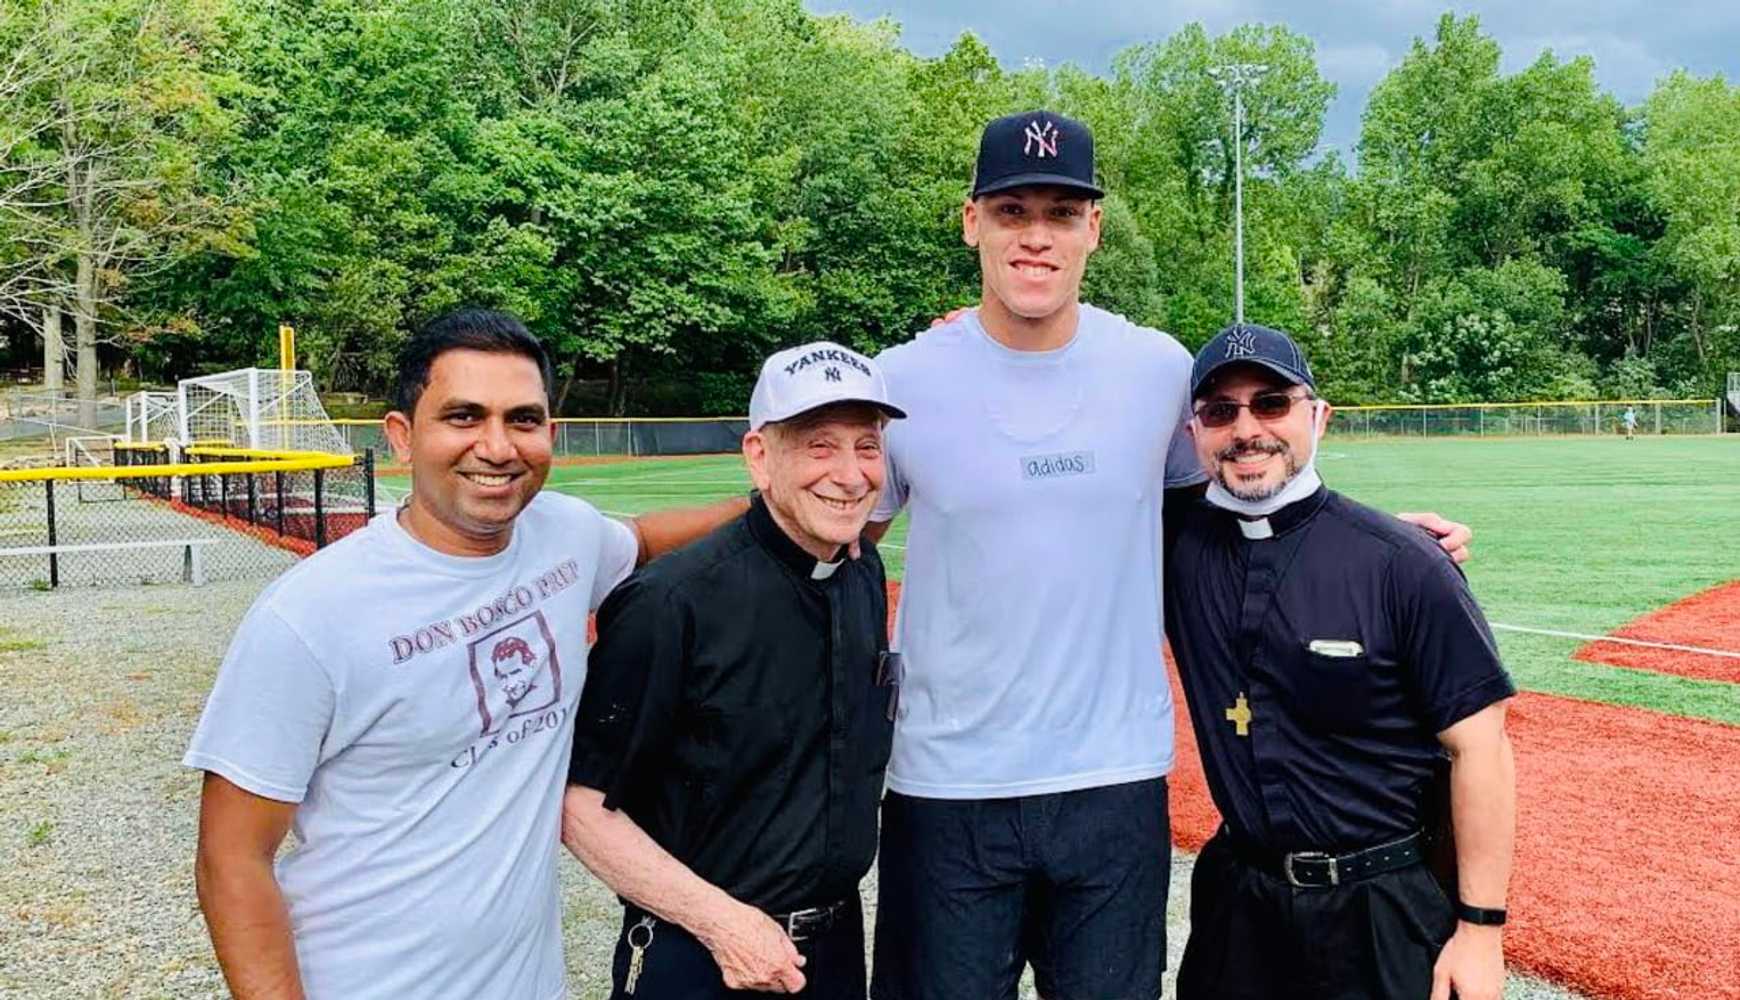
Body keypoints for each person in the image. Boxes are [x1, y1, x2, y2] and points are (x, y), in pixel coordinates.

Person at [865, 110, 1472, 1000]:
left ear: (1094, 230)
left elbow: (1236, 497)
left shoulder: (1153, 369)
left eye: (1063, 213)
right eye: (1012, 210)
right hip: (945, 784)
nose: (1037, 235)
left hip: (1113, 782)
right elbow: (840, 535)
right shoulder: (904, 378)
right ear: (972, 221)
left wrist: (1379, 540)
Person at [184, 309, 748, 1000]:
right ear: (402, 437)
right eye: (463, 416)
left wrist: (771, 498)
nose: (496, 446)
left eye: (522, 419)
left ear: (549, 434)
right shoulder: (309, 616)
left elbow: (646, 539)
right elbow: (231, 860)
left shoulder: (563, 534)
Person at [1165, 323, 1516, 1000]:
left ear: (1319, 416)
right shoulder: (1172, 541)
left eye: (1272, 403)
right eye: (1220, 411)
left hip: (1379, 904)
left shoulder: (1404, 565)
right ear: (1194, 434)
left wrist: (1481, 931)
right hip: (1239, 903)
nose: (1247, 429)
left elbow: (1483, 750)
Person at [562, 341, 904, 999]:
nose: (852, 472)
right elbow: (580, 805)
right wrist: (721, 924)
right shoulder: (670, 602)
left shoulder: (861, 571)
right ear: (759, 456)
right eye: (819, 445)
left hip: (831, 949)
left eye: (867, 446)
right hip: (701, 953)